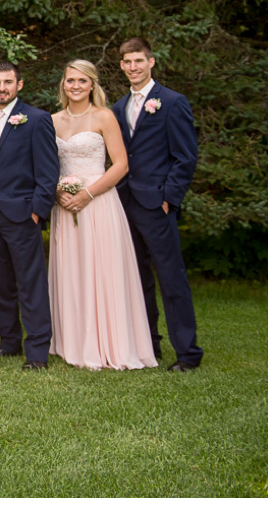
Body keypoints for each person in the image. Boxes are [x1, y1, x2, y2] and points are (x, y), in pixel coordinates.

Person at [49, 60, 157, 370]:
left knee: (101, 270)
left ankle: (108, 341)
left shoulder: (104, 117)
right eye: (70, 80)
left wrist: (87, 194)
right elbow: (48, 166)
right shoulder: (52, 120)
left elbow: (120, 165)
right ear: (63, 85)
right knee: (72, 271)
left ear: (92, 85)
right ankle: (73, 341)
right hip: (64, 204)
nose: (76, 86)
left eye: (82, 81)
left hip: (98, 204)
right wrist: (59, 192)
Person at [112, 38, 201, 372]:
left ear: (151, 62)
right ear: (121, 66)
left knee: (170, 277)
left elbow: (185, 157)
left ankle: (188, 352)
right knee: (138, 279)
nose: (133, 67)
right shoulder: (119, 107)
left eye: (138, 60)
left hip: (156, 203)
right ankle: (150, 344)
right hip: (125, 203)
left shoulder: (173, 102)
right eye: (127, 62)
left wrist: (169, 197)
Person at [0, 61, 59, 370]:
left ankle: (37, 350)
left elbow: (48, 172)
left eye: (8, 82)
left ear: (19, 85)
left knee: (29, 283)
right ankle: (9, 341)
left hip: (22, 215)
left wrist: (37, 212)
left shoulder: (37, 119)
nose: (2, 87)